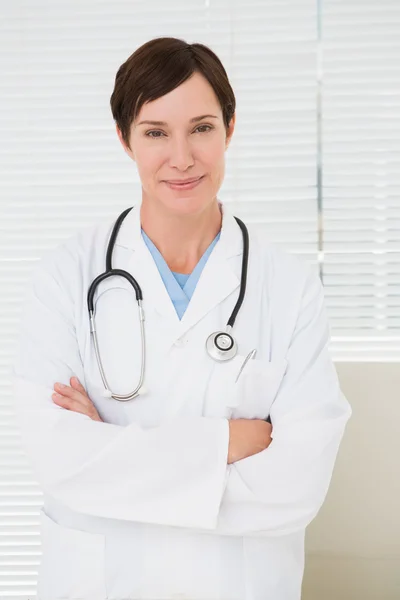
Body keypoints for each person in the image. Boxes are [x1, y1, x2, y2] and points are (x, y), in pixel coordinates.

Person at [13, 37, 351, 600]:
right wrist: (229, 441)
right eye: (155, 132)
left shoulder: (289, 287)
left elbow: (298, 483)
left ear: (230, 129)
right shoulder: (65, 276)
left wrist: (115, 454)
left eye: (201, 127)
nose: (182, 156)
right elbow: (61, 462)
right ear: (125, 139)